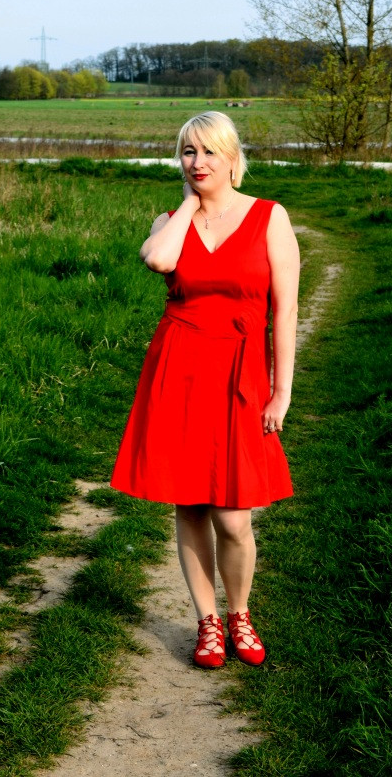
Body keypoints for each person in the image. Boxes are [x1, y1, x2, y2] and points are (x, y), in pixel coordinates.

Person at [111, 111, 299, 669]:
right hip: (180, 369)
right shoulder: (168, 220)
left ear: (233, 158)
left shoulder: (269, 217)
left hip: (240, 374)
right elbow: (160, 260)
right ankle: (208, 622)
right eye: (188, 153)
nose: (198, 163)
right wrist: (190, 206)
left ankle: (240, 613)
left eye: (210, 152)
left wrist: (281, 390)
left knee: (234, 517)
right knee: (191, 504)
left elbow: (284, 310)